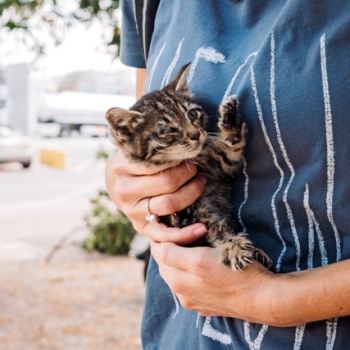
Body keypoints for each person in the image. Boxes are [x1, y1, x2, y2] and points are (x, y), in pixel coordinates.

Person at [105, 0, 350, 348]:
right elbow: (136, 131)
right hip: (179, 333)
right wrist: (126, 185)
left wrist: (273, 299)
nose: (191, 134)